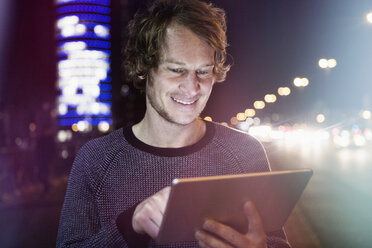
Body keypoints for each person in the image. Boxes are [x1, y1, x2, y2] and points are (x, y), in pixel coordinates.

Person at [57, 0, 291, 247]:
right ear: (143, 66)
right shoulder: (95, 160)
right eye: (177, 70)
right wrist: (129, 227)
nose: (192, 88)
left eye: (203, 71)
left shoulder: (245, 153)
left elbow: (277, 241)